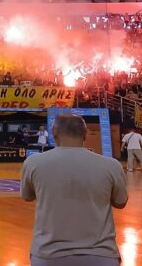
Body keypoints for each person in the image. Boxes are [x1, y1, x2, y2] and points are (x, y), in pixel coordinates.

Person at [21, 114, 127, 266]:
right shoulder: (111, 165)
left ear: (54, 134)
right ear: (85, 135)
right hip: (101, 254)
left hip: (49, 254)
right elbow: (121, 202)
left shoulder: (33, 162)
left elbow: (27, 196)